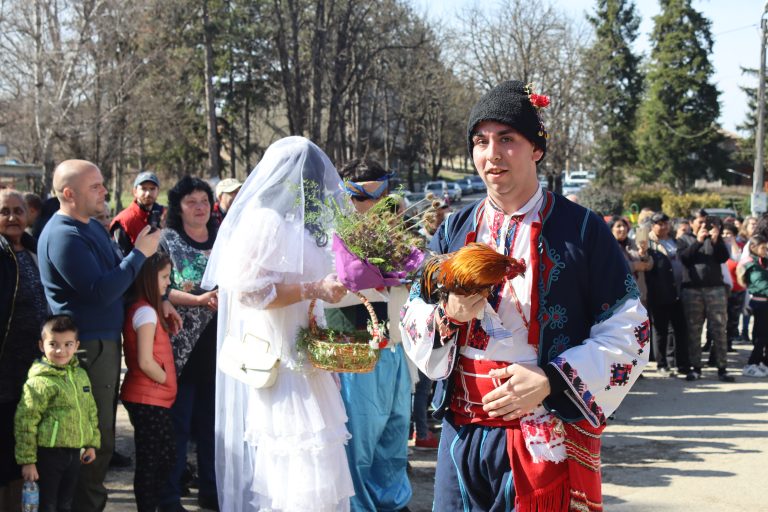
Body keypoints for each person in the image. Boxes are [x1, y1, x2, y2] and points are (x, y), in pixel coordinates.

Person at [400, 80, 648, 511]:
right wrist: (449, 315)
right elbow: (412, 315)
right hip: (462, 434)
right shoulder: (454, 230)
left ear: (537, 149)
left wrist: (550, 381)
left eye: (507, 139)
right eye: (481, 141)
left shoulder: (583, 230)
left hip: (542, 435)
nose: (491, 153)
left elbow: (632, 332)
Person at [201, 136, 354, 511]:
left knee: (321, 469)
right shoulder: (264, 222)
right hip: (282, 365)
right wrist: (313, 287)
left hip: (312, 359)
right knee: (299, 470)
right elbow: (248, 292)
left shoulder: (307, 226)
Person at [36, 159, 167, 511]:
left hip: (102, 345)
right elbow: (100, 291)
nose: (105, 191)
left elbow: (119, 280)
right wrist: (140, 252)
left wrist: (161, 299)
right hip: (86, 349)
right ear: (69, 193)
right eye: (95, 186)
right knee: (91, 442)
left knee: (100, 441)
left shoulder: (90, 227)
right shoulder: (63, 235)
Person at [325, 157, 413, 512]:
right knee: (358, 444)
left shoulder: (398, 235)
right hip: (354, 348)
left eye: (381, 197)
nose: (373, 206)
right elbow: (331, 292)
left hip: (393, 348)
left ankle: (393, 503)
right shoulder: (331, 237)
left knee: (394, 436)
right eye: (363, 197)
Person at [157, 176, 220, 512]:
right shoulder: (167, 241)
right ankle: (169, 497)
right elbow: (158, 288)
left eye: (204, 200)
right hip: (180, 349)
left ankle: (212, 492)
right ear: (178, 208)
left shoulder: (224, 239)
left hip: (219, 349)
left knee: (213, 429)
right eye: (191, 201)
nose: (199, 207)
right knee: (177, 428)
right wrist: (200, 300)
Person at [14, 315, 100, 512]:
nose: (61, 351)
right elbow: (25, 423)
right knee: (48, 505)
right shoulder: (39, 382)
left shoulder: (81, 375)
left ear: (77, 345)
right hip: (48, 456)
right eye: (53, 344)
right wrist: (28, 461)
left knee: (66, 503)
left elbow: (90, 411)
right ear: (41, 345)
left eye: (68, 344)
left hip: (75, 455)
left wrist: (91, 443)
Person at [0, 190, 49, 510]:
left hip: (34, 369)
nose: (13, 217)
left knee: (26, 440)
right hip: (4, 368)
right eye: (4, 211)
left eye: (19, 210)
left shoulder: (33, 249)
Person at [120, 253, 178, 511]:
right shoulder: (145, 312)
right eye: (164, 277)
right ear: (148, 278)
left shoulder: (147, 308)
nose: (168, 283)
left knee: (162, 457)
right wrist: (166, 379)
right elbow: (144, 361)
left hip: (153, 397)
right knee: (152, 461)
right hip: (148, 398)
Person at [677, 212, 734, 382]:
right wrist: (699, 241)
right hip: (692, 290)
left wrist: (716, 240)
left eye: (707, 223)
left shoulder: (715, 240)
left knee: (719, 328)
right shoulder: (684, 239)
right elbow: (685, 258)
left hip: (715, 289)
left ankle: (722, 367)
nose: (704, 226)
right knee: (694, 330)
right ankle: (695, 368)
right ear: (692, 223)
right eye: (700, 222)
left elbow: (724, 258)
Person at [646, 212, 691, 376]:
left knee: (680, 330)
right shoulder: (648, 244)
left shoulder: (674, 241)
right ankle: (662, 364)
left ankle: (683, 365)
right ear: (653, 226)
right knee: (661, 331)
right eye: (659, 223)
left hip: (678, 292)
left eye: (666, 223)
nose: (664, 226)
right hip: (659, 294)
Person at [110, 171, 165, 256]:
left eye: (152, 188)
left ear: (158, 191)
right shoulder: (124, 220)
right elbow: (120, 260)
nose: (148, 193)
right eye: (143, 188)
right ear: (135, 191)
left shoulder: (165, 215)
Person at [737, 235, 768, 377]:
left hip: (764, 303)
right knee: (761, 335)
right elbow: (760, 284)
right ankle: (752, 363)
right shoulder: (751, 264)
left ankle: (763, 362)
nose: (765, 250)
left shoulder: (762, 261)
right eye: (763, 248)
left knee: (763, 335)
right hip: (760, 303)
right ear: (753, 248)